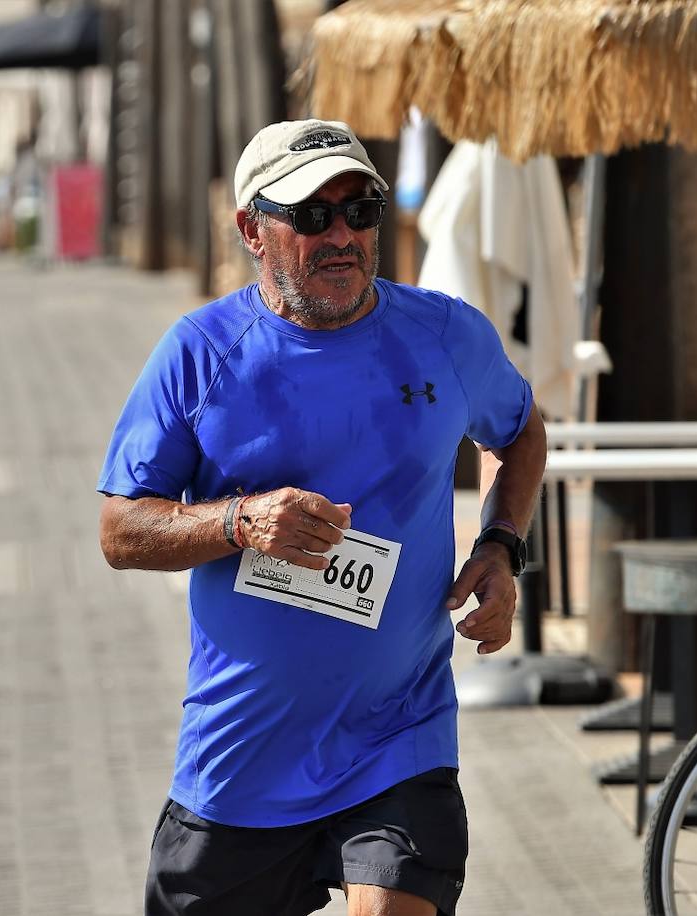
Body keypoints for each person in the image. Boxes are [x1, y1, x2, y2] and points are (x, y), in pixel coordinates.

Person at [97, 119, 547, 916]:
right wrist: (240, 521)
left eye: (360, 210)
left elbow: (520, 432)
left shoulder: (443, 335)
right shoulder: (201, 353)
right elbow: (121, 531)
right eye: (311, 216)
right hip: (242, 759)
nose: (341, 235)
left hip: (397, 740)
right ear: (252, 230)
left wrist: (503, 545)